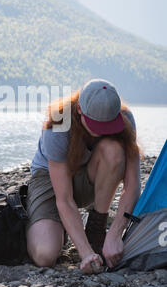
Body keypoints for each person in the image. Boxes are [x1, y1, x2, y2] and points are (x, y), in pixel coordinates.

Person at [26, 78, 142, 274]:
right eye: (97, 126)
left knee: (113, 150)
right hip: (50, 180)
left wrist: (114, 235)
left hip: (89, 177)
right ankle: (41, 221)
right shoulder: (59, 120)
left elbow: (133, 186)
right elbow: (64, 199)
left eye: (108, 126)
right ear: (79, 109)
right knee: (45, 256)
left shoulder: (125, 118)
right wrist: (85, 253)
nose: (102, 133)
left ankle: (96, 228)